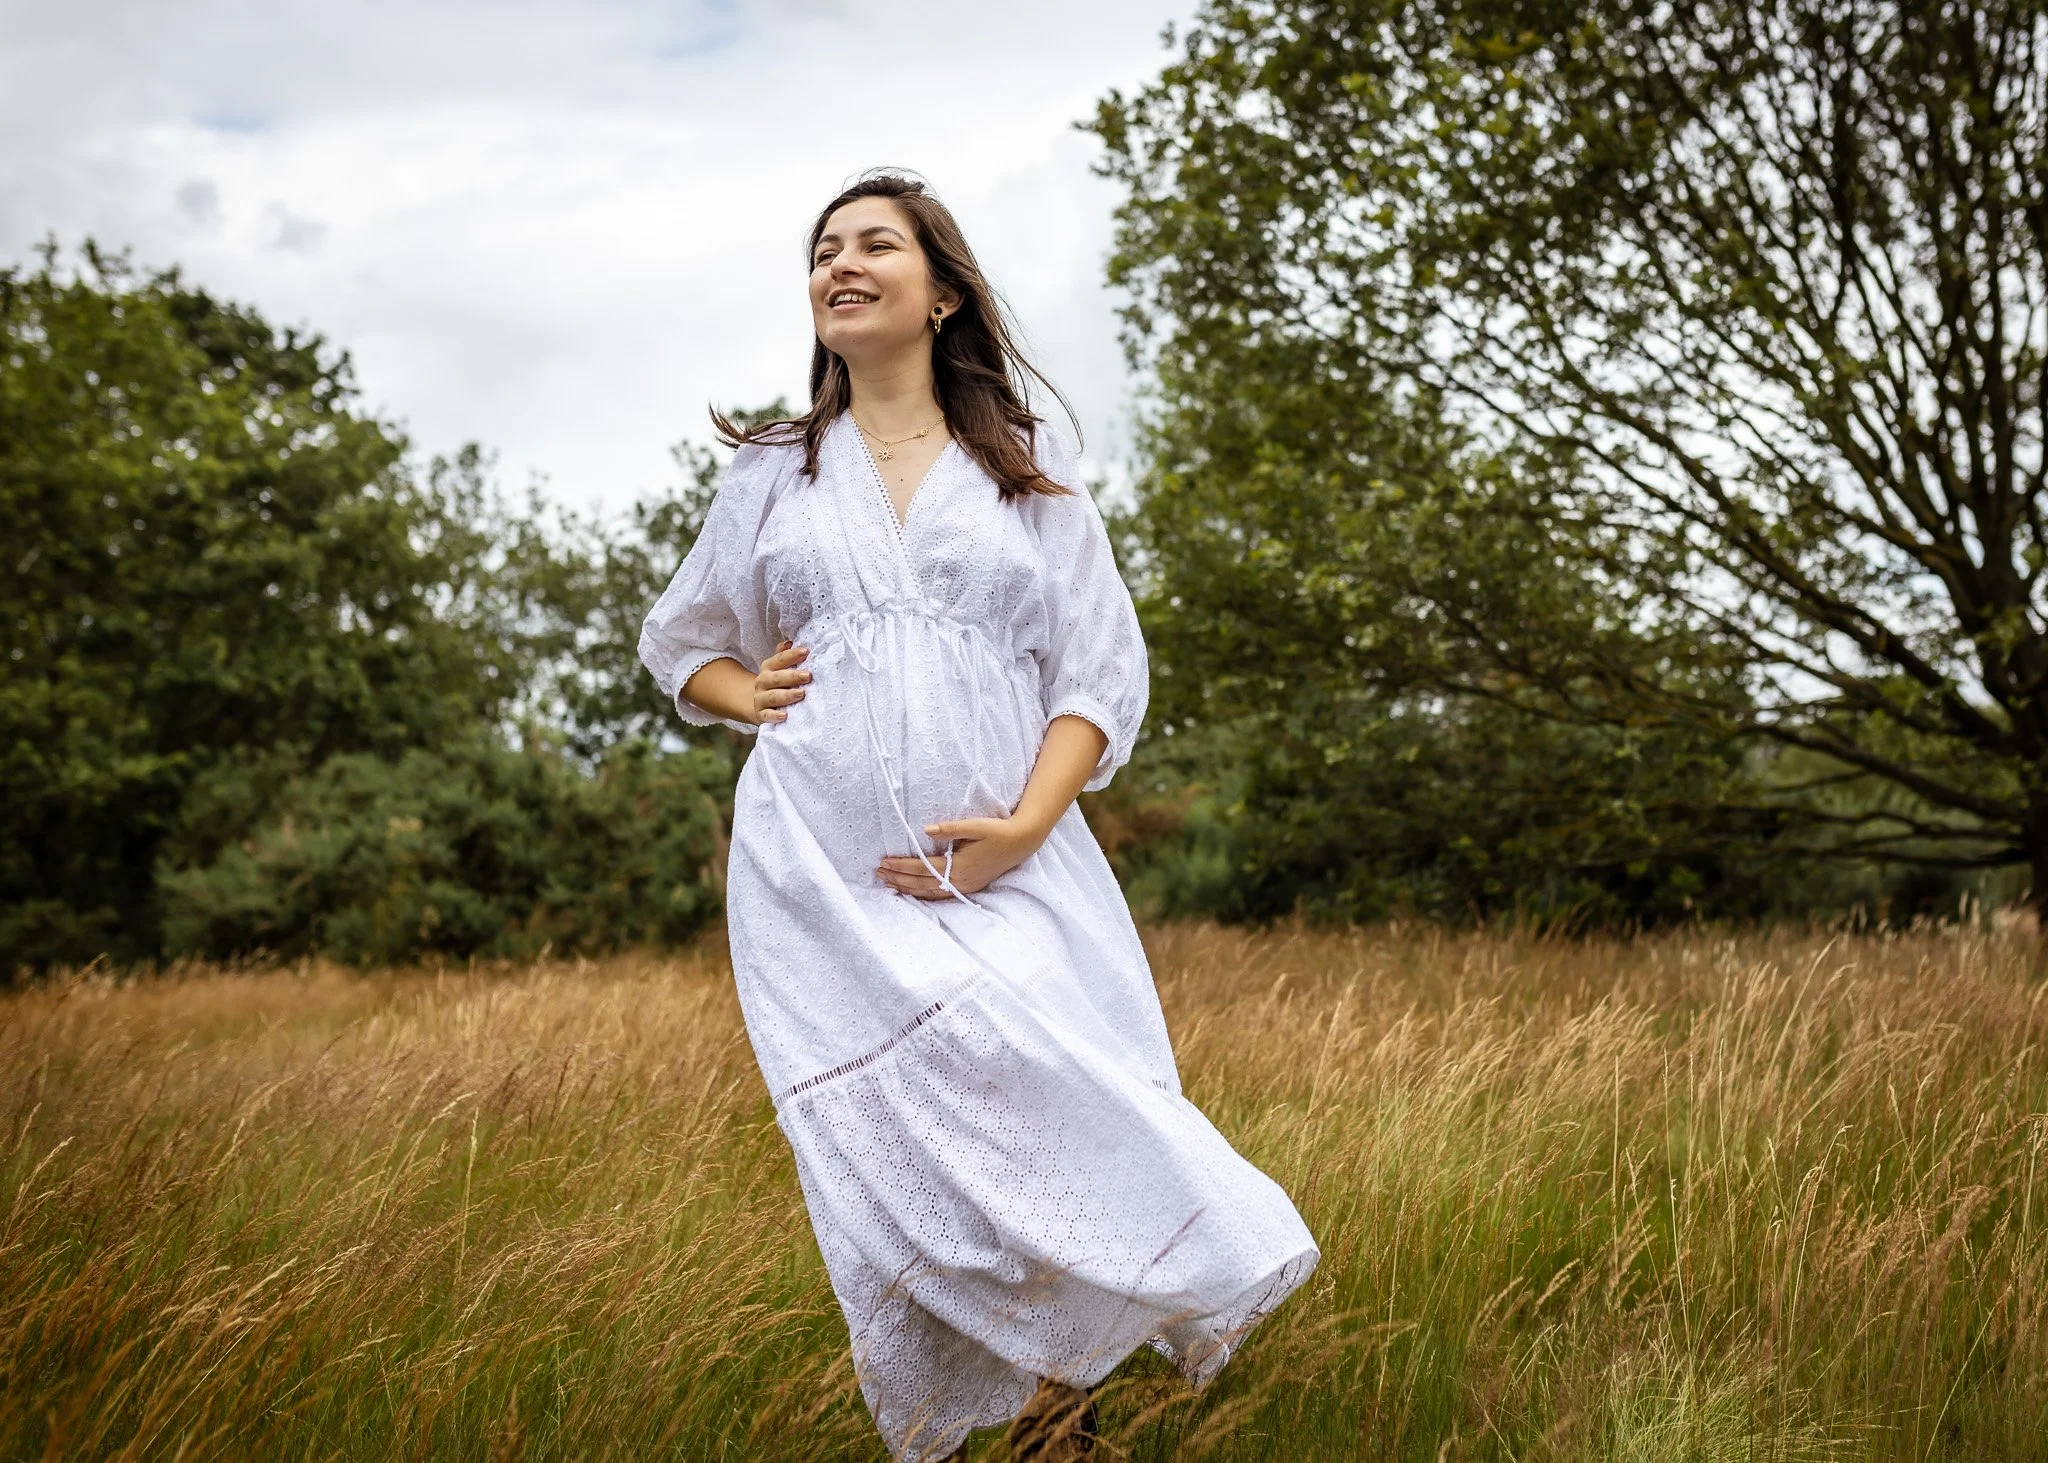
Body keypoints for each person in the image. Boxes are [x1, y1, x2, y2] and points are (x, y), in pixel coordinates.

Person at [639, 170, 1318, 1462]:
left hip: (1010, 866)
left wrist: (1018, 826)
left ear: (940, 289)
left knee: (1041, 1094)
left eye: (873, 244)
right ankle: (1025, 1429)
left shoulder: (1023, 462)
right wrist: (752, 691)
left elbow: (1097, 675)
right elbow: (680, 642)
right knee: (903, 1149)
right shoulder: (776, 470)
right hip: (821, 873)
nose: (840, 263)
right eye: (822, 249)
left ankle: (1071, 1390)